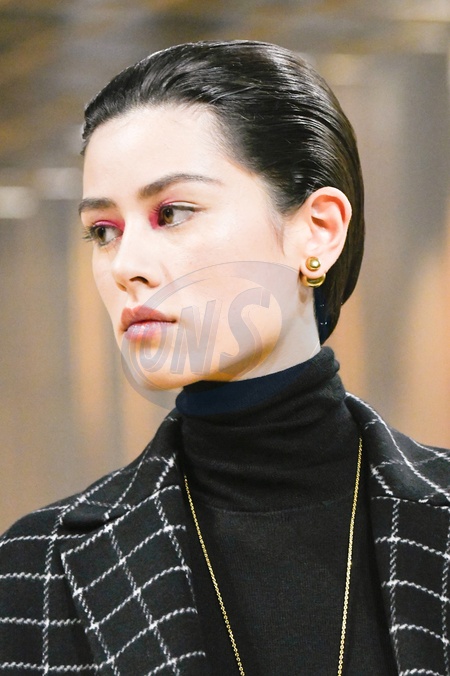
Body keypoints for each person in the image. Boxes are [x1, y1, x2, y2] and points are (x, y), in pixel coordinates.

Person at [0, 40, 448, 676]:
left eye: (173, 213)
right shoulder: (33, 570)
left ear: (318, 229)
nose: (126, 266)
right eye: (104, 231)